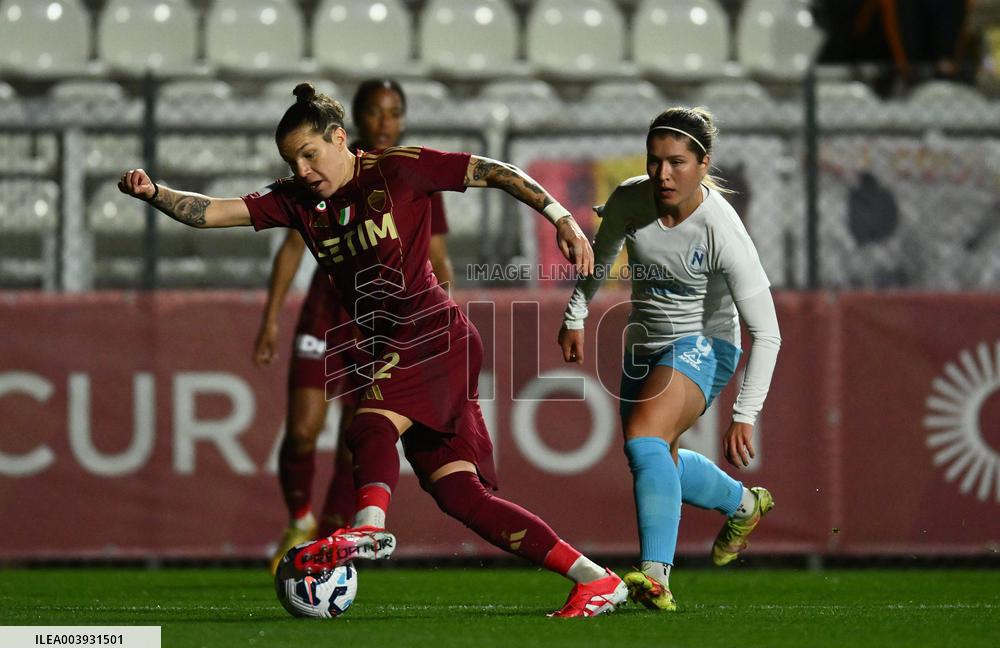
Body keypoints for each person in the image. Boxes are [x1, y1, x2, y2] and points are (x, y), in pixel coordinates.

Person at [119, 83, 625, 618]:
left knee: (368, 424)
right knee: (461, 497)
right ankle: (595, 578)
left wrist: (562, 218)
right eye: (292, 159)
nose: (303, 167)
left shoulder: (399, 169)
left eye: (309, 154)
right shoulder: (298, 199)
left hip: (432, 331)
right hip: (397, 344)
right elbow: (213, 213)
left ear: (339, 138)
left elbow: (491, 170)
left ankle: (367, 530)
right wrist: (156, 193)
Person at [558, 107, 782, 611]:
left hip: (708, 346)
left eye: (677, 162)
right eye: (655, 161)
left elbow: (767, 332)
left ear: (704, 164)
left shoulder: (722, 230)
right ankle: (745, 506)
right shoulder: (630, 200)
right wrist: (575, 313)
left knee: (644, 439)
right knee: (659, 457)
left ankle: (655, 575)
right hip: (644, 344)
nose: (663, 174)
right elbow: (602, 253)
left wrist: (744, 415)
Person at [251, 79, 454, 575]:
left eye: (394, 113)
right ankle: (299, 520)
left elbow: (439, 260)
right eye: (375, 113)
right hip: (327, 311)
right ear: (352, 124)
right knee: (301, 430)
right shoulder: (323, 171)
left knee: (358, 436)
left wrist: (439, 317)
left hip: (384, 324)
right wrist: (271, 316)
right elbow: (292, 245)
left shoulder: (410, 172)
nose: (385, 122)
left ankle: (329, 541)